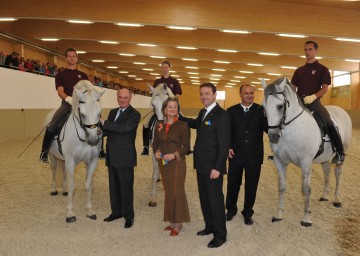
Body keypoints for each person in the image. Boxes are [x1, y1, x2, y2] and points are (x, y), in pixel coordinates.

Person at [179, 82, 230, 248]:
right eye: (202, 94)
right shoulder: (202, 112)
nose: (204, 97)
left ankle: (220, 235)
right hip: (201, 165)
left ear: (214, 95)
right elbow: (195, 124)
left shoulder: (222, 115)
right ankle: (209, 226)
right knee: (205, 199)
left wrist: (218, 167)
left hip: (213, 168)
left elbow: (224, 145)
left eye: (207, 93)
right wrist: (178, 116)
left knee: (215, 200)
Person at [291, 41, 345, 164]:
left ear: (316, 51)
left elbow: (325, 88)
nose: (307, 52)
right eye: (305, 49)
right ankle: (279, 151)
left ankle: (340, 152)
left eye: (310, 49)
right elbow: (293, 88)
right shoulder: (299, 70)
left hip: (313, 102)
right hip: (299, 101)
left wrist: (313, 97)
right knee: (285, 118)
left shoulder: (323, 69)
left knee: (328, 122)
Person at [225, 84, 268, 225]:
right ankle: (231, 209)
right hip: (235, 154)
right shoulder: (231, 111)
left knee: (251, 186)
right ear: (240, 94)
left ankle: (248, 212)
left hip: (254, 155)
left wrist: (270, 115)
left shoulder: (261, 111)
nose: (249, 95)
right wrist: (228, 146)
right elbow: (226, 132)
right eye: (246, 93)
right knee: (233, 184)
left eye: (251, 93)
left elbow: (269, 129)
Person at [100, 88, 141, 229]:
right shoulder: (112, 112)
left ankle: (129, 216)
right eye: (120, 97)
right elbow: (108, 130)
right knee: (114, 187)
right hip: (112, 155)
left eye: (125, 97)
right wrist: (99, 131)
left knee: (126, 188)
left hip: (125, 157)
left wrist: (104, 122)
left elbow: (123, 128)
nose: (122, 100)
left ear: (130, 98)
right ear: (117, 97)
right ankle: (116, 212)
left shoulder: (135, 114)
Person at [39, 48, 88, 163]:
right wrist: (69, 99)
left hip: (82, 104)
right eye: (69, 56)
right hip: (67, 104)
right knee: (53, 124)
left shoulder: (83, 75)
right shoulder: (60, 75)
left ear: (77, 58)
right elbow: (60, 91)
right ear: (65, 58)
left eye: (73, 56)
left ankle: (100, 150)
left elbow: (88, 91)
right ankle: (44, 152)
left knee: (96, 120)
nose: (71, 58)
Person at [152, 97, 190, 236]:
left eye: (175, 107)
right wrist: (156, 151)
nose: (172, 109)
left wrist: (174, 155)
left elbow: (186, 146)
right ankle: (172, 221)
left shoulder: (183, 125)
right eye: (170, 107)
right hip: (164, 164)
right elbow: (155, 143)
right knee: (168, 192)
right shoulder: (158, 124)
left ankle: (178, 222)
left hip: (177, 163)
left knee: (177, 191)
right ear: (164, 110)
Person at [141, 60, 182, 156]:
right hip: (158, 110)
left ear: (169, 68)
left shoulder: (174, 81)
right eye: (163, 68)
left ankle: (186, 147)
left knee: (185, 121)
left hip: (172, 109)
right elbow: (154, 96)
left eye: (166, 67)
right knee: (146, 123)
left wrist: (175, 107)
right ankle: (146, 146)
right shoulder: (157, 82)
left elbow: (177, 96)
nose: (164, 69)